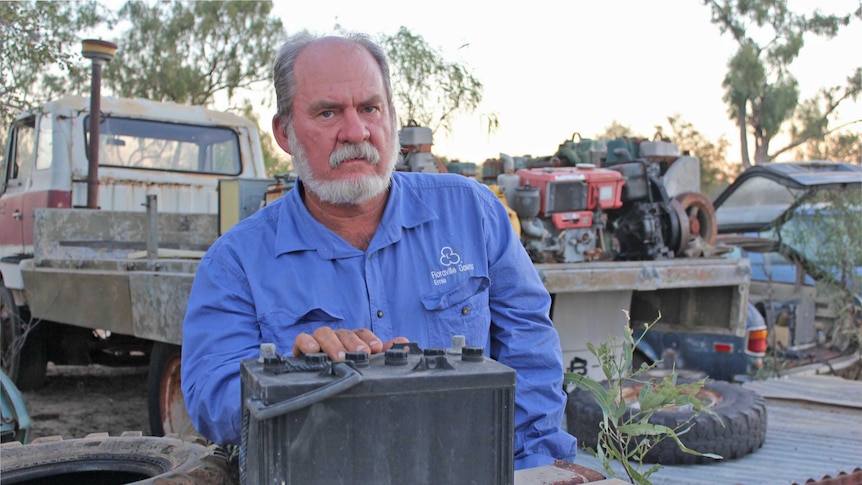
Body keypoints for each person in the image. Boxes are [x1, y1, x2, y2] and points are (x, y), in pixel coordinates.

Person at [181, 31, 577, 470]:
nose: (356, 131)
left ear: (391, 115)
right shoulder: (235, 262)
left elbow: (531, 351)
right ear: (285, 132)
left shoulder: (472, 213)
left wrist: (528, 467)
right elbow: (209, 398)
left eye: (370, 108)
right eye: (328, 112)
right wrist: (299, 373)